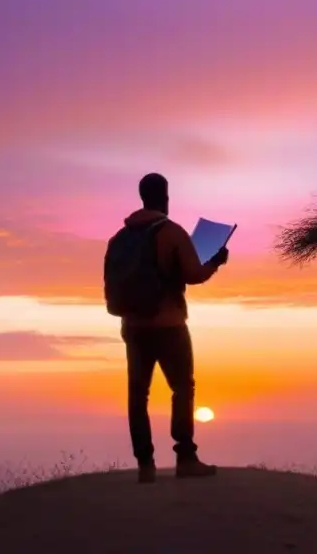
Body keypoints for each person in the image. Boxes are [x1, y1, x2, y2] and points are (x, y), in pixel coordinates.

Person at [115, 172, 229, 484]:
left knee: (138, 395)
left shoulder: (120, 238)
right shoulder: (171, 232)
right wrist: (216, 261)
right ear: (165, 196)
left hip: (134, 326)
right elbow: (193, 274)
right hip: (169, 325)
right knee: (182, 388)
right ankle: (186, 458)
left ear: (142, 197)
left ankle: (145, 466)